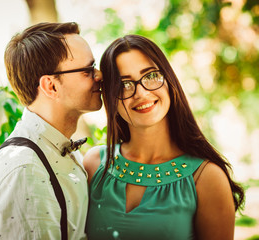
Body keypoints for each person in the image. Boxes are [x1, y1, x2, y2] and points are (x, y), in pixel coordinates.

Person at [83, 35, 245, 240]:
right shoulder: (94, 164)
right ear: (110, 97)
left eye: (150, 76)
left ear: (168, 80)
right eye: (124, 84)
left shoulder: (207, 177)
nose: (140, 93)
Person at [0, 22, 102, 239]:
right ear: (51, 86)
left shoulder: (58, 149)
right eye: (87, 70)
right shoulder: (25, 170)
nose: (99, 75)